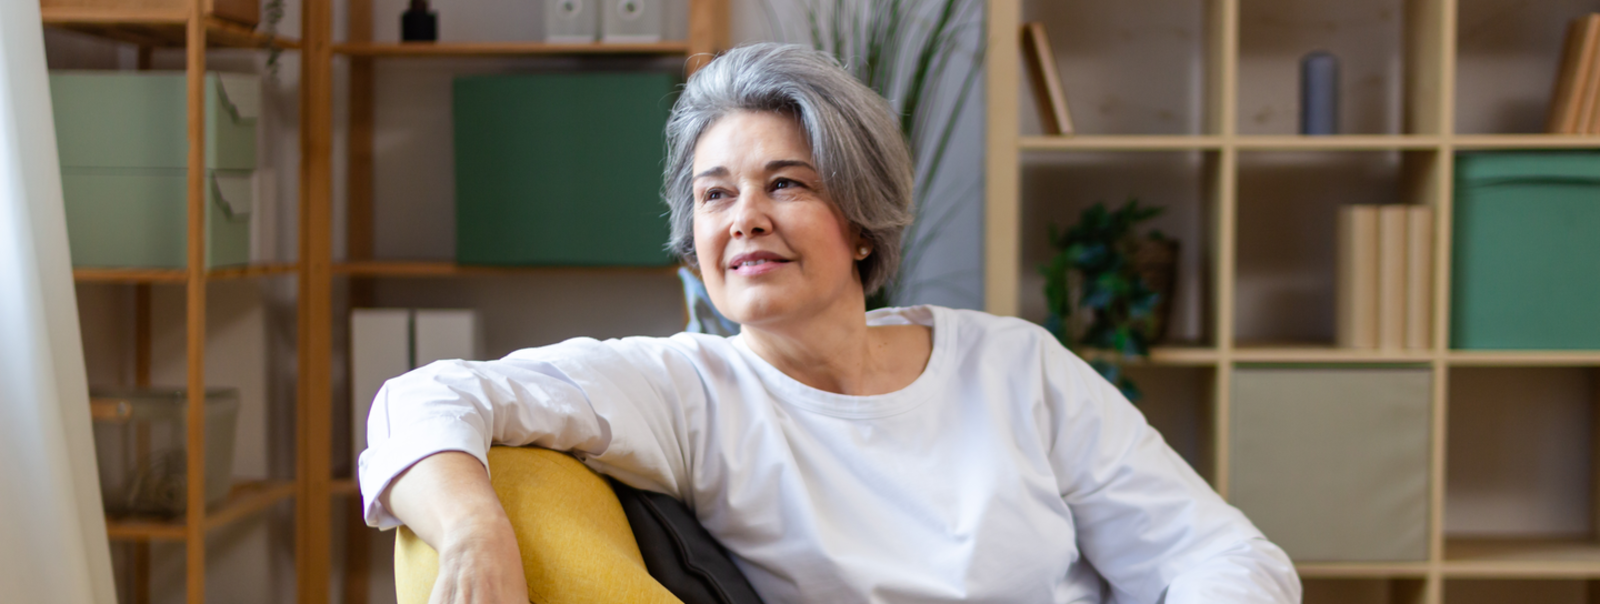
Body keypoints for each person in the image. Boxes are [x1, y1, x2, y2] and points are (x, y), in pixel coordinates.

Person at [359, 43, 1301, 604]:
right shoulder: (690, 390)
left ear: (859, 221)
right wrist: (477, 528)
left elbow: (1220, 554)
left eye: (785, 185)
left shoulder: (1014, 365)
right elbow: (427, 399)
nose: (744, 219)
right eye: (715, 195)